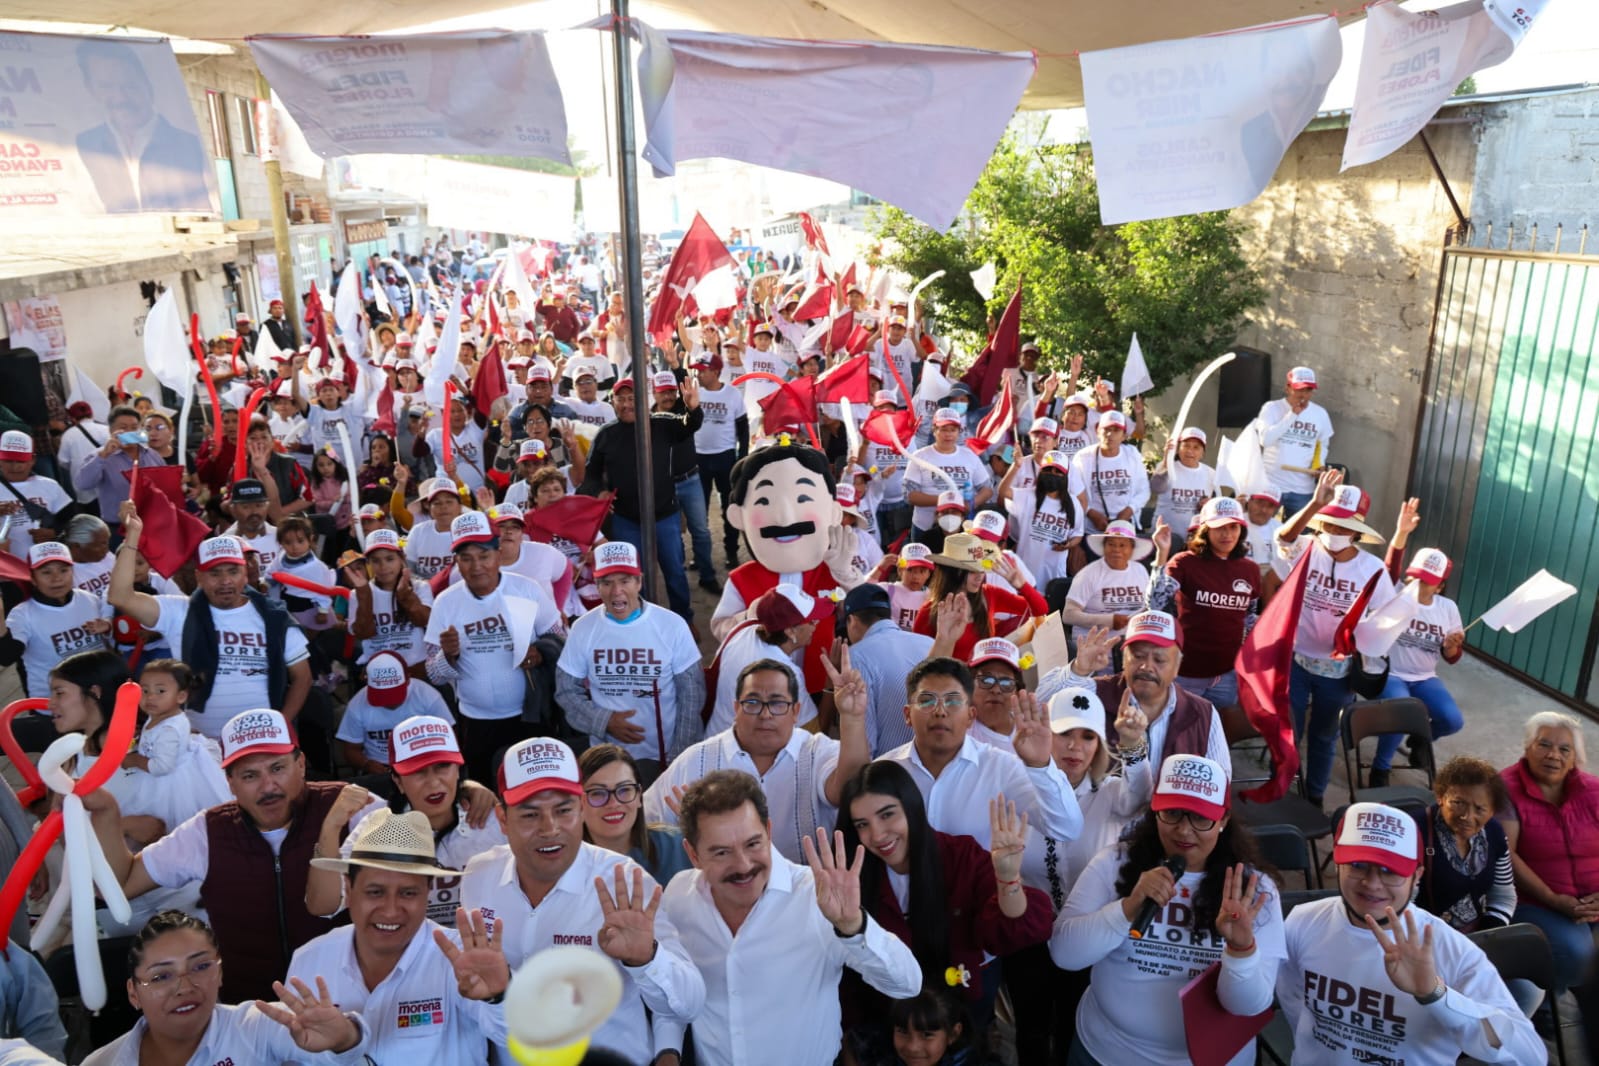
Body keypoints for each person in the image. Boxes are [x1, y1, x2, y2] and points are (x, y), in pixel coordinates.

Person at [85, 709, 368, 1003]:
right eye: (250, 775)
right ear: (229, 782)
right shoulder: (208, 831)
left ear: (301, 765)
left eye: (277, 768)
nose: (268, 786)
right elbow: (123, 883)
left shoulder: (353, 809)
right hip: (248, 1015)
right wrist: (107, 812)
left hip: (348, 1005)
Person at [459, 737, 705, 1064]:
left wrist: (647, 959)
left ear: (581, 809)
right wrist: (500, 996)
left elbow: (688, 1004)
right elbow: (495, 1025)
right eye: (530, 815)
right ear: (503, 820)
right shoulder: (479, 878)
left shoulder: (623, 880)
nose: (550, 829)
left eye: (563, 811)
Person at [657, 771, 922, 1066]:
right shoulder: (679, 895)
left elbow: (907, 984)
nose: (743, 865)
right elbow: (674, 990)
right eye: (721, 852)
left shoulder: (817, 896)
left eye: (753, 844)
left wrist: (854, 927)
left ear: (769, 831)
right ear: (693, 854)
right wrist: (668, 1050)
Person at [1052, 754, 1284, 1066]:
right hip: (1106, 1052)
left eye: (1201, 818)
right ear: (1154, 812)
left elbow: (1249, 1006)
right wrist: (1127, 909)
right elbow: (1065, 954)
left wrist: (1241, 949)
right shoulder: (1114, 863)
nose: (1184, 831)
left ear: (1224, 820)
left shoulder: (1254, 890)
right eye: (1172, 813)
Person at [1276, 802, 1543, 1064]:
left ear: (1417, 876)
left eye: (1389, 871)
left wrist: (1435, 995)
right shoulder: (1303, 922)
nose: (1372, 883)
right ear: (1338, 864)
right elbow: (1293, 1005)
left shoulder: (1452, 950)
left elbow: (1530, 1055)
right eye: (1358, 865)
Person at [839, 761, 1050, 1054]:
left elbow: (1008, 931)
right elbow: (849, 972)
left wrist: (1007, 877)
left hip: (962, 1014)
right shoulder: (853, 876)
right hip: (888, 1024)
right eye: (862, 825)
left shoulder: (960, 856)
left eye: (887, 815)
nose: (877, 835)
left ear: (912, 808)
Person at [289, 811, 512, 1065]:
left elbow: (512, 1037)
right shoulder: (308, 960)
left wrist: (499, 996)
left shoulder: (462, 958)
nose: (391, 910)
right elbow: (295, 1056)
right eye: (375, 892)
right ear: (349, 890)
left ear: (428, 893)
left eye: (408, 893)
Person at [646, 653, 871, 863]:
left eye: (777, 703)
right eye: (752, 703)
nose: (765, 714)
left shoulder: (816, 751)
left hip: (805, 895)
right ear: (736, 708)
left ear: (795, 711)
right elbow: (645, 821)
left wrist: (852, 718)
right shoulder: (696, 760)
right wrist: (683, 832)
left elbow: (849, 793)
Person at [110, 513, 313, 740]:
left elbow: (302, 677)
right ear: (199, 577)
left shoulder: (275, 617)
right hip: (200, 744)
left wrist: (280, 724)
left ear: (245, 574)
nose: (225, 581)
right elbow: (120, 596)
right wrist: (133, 536)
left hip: (262, 740)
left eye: (233, 571)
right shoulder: (179, 612)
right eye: (214, 573)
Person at [79, 910, 372, 1066]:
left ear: (220, 972)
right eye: (161, 977)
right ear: (133, 993)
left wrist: (344, 1038)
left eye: (201, 966)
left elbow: (347, 1056)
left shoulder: (257, 1026)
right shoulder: (101, 1062)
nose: (184, 987)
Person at [308, 717, 502, 926]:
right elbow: (323, 906)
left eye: (443, 766)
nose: (434, 782)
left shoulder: (491, 819)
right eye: (418, 771)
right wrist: (330, 827)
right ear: (398, 781)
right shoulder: (377, 826)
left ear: (458, 770)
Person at [1275, 472, 1397, 803]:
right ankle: (1283, 788)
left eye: (1343, 527)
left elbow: (1388, 617)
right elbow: (1283, 539)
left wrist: (1365, 637)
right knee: (1288, 732)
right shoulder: (1306, 548)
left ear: (1357, 531)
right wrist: (1316, 502)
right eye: (1329, 524)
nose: (1333, 532)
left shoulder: (1372, 569)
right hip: (1296, 661)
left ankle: (1314, 796)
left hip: (1339, 672)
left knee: (1324, 737)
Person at [881, 657, 1083, 854]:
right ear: (907, 715)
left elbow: (1066, 828)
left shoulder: (1001, 768)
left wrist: (1041, 766)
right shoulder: (885, 771)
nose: (940, 711)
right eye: (927, 701)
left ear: (970, 716)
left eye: (952, 701)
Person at [710, 441, 863, 695]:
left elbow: (869, 616)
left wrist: (847, 576)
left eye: (804, 498)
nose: (785, 517)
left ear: (833, 511)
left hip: (818, 682)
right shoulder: (742, 578)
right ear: (738, 515)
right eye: (765, 500)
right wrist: (750, 615)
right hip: (758, 688)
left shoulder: (831, 570)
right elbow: (720, 628)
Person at [424, 511, 564, 783]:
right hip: (476, 721)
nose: (476, 566)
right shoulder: (445, 602)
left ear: (498, 554)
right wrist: (447, 656)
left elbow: (559, 642)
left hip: (529, 716)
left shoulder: (528, 589)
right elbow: (433, 673)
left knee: (535, 788)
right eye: (466, 558)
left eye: (484, 556)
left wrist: (540, 653)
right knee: (483, 794)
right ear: (457, 562)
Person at [556, 541, 703, 780]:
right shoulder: (583, 628)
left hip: (663, 758)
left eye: (624, 581)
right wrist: (604, 721)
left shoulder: (672, 625)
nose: (616, 591)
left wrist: (679, 759)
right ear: (597, 586)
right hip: (607, 760)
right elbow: (565, 691)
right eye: (606, 582)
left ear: (639, 582)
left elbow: (692, 696)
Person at [1041, 612, 1233, 775]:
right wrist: (1078, 670)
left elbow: (1220, 779)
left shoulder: (1202, 714)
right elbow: (1037, 706)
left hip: (1172, 818)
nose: (1147, 666)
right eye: (1138, 656)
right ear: (1124, 660)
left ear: (1177, 667)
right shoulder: (1096, 694)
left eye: (1159, 659)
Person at [577, 376, 703, 620]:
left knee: (674, 571)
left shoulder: (662, 424)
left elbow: (689, 424)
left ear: (643, 400)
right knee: (634, 575)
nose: (626, 404)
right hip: (626, 518)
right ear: (612, 402)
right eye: (620, 399)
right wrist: (599, 491)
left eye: (632, 398)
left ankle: (683, 619)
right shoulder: (606, 435)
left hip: (665, 514)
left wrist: (692, 407)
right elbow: (590, 476)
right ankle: (641, 619)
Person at [1499, 710, 1599, 992]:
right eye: (1544, 744)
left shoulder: (1594, 791)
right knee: (1578, 955)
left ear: (1574, 758)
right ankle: (1546, 1002)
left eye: (1564, 749)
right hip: (1536, 901)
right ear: (1527, 747)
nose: (1553, 755)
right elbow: (1507, 854)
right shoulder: (1505, 789)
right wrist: (1554, 899)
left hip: (1592, 900)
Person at [1146, 496, 1261, 714]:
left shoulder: (1250, 569)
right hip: (1186, 672)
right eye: (1219, 528)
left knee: (1215, 736)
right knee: (1178, 734)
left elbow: (1249, 615)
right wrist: (1162, 555)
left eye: (1233, 527)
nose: (1227, 534)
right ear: (1205, 530)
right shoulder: (1184, 562)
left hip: (1228, 674)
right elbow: (1155, 604)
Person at [73, 39, 212, 214]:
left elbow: (210, 205)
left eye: (130, 85)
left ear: (147, 84)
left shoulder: (188, 144)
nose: (120, 98)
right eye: (106, 86)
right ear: (90, 89)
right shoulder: (85, 144)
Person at [1371, 539, 1466, 784]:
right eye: (1415, 577)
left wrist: (1451, 647)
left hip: (1424, 677)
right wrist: (1401, 535)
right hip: (1390, 672)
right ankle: (1380, 767)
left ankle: (1421, 738)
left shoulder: (1447, 608)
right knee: (1403, 711)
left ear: (1440, 587)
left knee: (1452, 720)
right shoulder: (1396, 593)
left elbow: (1452, 657)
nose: (1418, 584)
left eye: (1427, 581)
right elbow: (1389, 569)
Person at [116, 658, 231, 835]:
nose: (150, 697)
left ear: (181, 696)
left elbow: (162, 767)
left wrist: (134, 759)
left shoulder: (169, 728)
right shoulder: (161, 714)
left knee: (175, 827)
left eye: (160, 691)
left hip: (170, 784)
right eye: (145, 690)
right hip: (159, 774)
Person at [703, 584, 826, 735]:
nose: (817, 623)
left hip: (715, 737)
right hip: (744, 754)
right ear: (790, 631)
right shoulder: (786, 675)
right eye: (811, 621)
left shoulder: (743, 629)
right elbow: (814, 736)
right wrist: (831, 687)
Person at [912, 533, 1048, 661]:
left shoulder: (989, 594)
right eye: (972, 571)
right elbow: (919, 662)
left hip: (985, 681)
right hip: (952, 683)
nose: (980, 576)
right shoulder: (929, 611)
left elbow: (1041, 610)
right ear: (952, 572)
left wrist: (1022, 585)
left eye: (982, 569)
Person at [0, 541, 111, 698]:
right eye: (46, 572)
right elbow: (7, 657)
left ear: (73, 572)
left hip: (99, 696)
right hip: (53, 706)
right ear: (32, 578)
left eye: (63, 570)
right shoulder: (22, 614)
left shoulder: (89, 599)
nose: (56, 578)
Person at [841, 583, 935, 757]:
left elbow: (865, 741)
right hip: (936, 767)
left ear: (852, 620)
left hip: (888, 773)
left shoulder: (857, 656)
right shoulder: (929, 643)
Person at [1422, 757, 1515, 933]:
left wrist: (1488, 935)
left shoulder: (1494, 832)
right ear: (1440, 797)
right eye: (1458, 803)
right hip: (1423, 938)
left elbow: (1503, 896)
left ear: (1492, 810)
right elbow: (1400, 901)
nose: (1467, 817)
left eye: (1480, 809)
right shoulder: (1416, 831)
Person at [579, 743, 694, 886]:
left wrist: (703, 836)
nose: (614, 803)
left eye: (624, 789)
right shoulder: (562, 865)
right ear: (578, 802)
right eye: (597, 793)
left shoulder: (679, 846)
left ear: (639, 796)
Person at [334, 651, 453, 778]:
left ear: (407, 680)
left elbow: (450, 739)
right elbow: (351, 749)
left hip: (423, 763)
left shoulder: (428, 697)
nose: (390, 703)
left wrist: (431, 764)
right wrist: (366, 764)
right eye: (382, 696)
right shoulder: (357, 705)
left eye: (394, 694)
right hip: (380, 768)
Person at [345, 528, 433, 670]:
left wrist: (406, 596)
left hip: (416, 667)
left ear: (402, 559)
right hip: (378, 669)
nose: (383, 566)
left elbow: (424, 621)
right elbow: (364, 633)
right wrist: (364, 595)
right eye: (375, 560)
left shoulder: (420, 587)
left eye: (390, 559)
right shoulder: (358, 593)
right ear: (368, 564)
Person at [905, 409, 993, 543]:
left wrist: (971, 503)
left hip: (961, 528)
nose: (948, 435)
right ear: (934, 430)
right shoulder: (920, 456)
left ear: (959, 432)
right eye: (943, 429)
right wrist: (945, 502)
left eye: (953, 430)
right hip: (925, 526)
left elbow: (987, 489)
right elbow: (909, 495)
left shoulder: (969, 456)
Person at [1062, 519, 1153, 646]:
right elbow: (1068, 615)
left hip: (1130, 646)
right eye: (1111, 544)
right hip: (1093, 648)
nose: (1116, 549)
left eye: (1122, 545)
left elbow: (1146, 606)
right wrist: (1107, 621)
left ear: (1132, 549)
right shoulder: (1088, 574)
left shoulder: (1140, 570)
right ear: (1104, 547)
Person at [1257, 365, 1334, 517]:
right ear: (1288, 387)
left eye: (1308, 390)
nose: (1303, 394)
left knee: (1299, 536)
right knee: (1261, 530)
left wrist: (1318, 464)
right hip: (1271, 484)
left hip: (1302, 488)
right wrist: (1291, 415)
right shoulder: (1272, 408)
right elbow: (1265, 440)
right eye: (1299, 389)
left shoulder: (1320, 414)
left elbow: (1322, 443)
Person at [73, 405, 163, 521]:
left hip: (152, 521)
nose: (129, 432)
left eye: (134, 428)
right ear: (111, 431)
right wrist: (103, 455)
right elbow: (82, 485)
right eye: (123, 428)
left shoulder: (152, 454)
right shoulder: (101, 456)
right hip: (119, 527)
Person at [1071, 410, 1148, 535]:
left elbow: (1144, 490)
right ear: (1097, 431)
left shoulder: (1132, 454)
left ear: (1124, 436)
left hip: (1125, 528)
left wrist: (1129, 511)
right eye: (1106, 429)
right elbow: (1073, 492)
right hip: (1092, 529)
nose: (1110, 434)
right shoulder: (1083, 457)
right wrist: (1090, 513)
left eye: (1116, 430)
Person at [0, 430, 73, 557]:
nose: (14, 467)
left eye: (20, 461)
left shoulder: (49, 485)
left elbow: (71, 519)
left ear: (32, 460)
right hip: (7, 570)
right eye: (8, 461)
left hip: (46, 565)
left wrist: (54, 532)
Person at [1149, 426, 1217, 534]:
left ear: (1202, 452)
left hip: (1196, 536)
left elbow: (1214, 505)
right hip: (1165, 535)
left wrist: (1208, 504)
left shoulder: (1211, 473)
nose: (1190, 451)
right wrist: (1166, 461)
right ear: (1178, 448)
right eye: (1186, 445)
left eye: (1196, 447)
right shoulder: (1166, 467)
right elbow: (1156, 488)